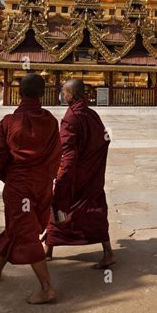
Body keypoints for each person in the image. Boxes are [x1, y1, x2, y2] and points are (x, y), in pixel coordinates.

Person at [0, 74, 61, 304]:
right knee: (19, 226)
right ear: (43, 94)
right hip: (42, 185)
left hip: (19, 187)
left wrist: (7, 176)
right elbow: (57, 155)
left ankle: (47, 288)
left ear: (19, 93)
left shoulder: (7, 123)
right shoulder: (52, 121)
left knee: (25, 232)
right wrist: (47, 177)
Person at [44, 79, 115, 269]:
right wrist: (93, 166)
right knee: (95, 212)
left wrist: (62, 177)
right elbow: (104, 140)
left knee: (58, 207)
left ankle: (48, 250)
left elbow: (69, 153)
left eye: (64, 92)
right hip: (91, 176)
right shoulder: (92, 114)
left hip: (75, 175)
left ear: (72, 95)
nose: (61, 95)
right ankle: (107, 252)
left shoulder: (71, 118)